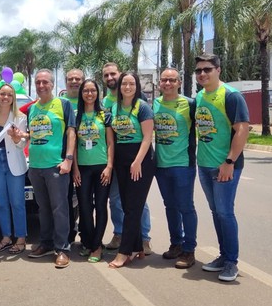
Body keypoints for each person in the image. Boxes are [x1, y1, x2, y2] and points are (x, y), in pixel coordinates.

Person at [194, 53, 249, 282]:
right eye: (198, 71)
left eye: (207, 69)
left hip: (225, 166)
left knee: (225, 212)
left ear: (218, 69)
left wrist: (229, 162)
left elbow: (242, 129)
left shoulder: (231, 95)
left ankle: (231, 262)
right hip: (204, 165)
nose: (202, 74)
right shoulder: (199, 97)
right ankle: (223, 255)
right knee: (216, 212)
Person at [101, 62, 153, 254]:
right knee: (116, 200)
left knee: (137, 201)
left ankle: (144, 238)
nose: (110, 78)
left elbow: (148, 135)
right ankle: (120, 233)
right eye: (106, 75)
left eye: (113, 74)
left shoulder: (141, 102)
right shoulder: (107, 103)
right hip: (117, 159)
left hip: (137, 159)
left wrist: (137, 161)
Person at [27, 69, 76, 269]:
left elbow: (72, 132)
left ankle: (62, 248)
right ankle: (46, 243)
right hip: (35, 166)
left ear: (52, 84)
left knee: (60, 208)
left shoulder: (63, 104)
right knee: (43, 208)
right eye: (38, 82)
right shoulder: (32, 108)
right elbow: (34, 133)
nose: (41, 86)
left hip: (56, 165)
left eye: (45, 82)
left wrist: (69, 159)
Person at [154, 68, 198, 269]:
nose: (168, 83)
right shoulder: (154, 104)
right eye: (164, 80)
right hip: (161, 165)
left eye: (172, 80)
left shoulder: (190, 104)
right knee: (170, 206)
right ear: (159, 83)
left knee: (185, 207)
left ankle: (189, 250)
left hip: (183, 164)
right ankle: (176, 244)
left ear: (179, 82)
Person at [72, 79, 114, 263]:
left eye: (93, 90)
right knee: (84, 206)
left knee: (100, 206)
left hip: (102, 167)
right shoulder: (76, 116)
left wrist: (109, 167)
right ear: (81, 94)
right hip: (83, 168)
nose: (89, 94)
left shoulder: (104, 115)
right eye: (86, 91)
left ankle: (97, 247)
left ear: (98, 93)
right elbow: (72, 146)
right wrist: (75, 169)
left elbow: (111, 142)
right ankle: (88, 242)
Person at [0, 83, 28, 255]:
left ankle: (21, 238)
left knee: (17, 202)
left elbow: (22, 144)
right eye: (2, 94)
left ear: (13, 98)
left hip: (13, 161)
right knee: (1, 203)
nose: (5, 97)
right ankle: (6, 237)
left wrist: (17, 138)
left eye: (9, 95)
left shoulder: (20, 117)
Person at [61, 69, 84, 245]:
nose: (74, 81)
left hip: (89, 159)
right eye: (71, 79)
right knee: (67, 200)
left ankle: (87, 238)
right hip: (66, 159)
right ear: (65, 81)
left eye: (78, 79)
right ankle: (68, 236)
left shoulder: (90, 100)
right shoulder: (59, 103)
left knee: (87, 202)